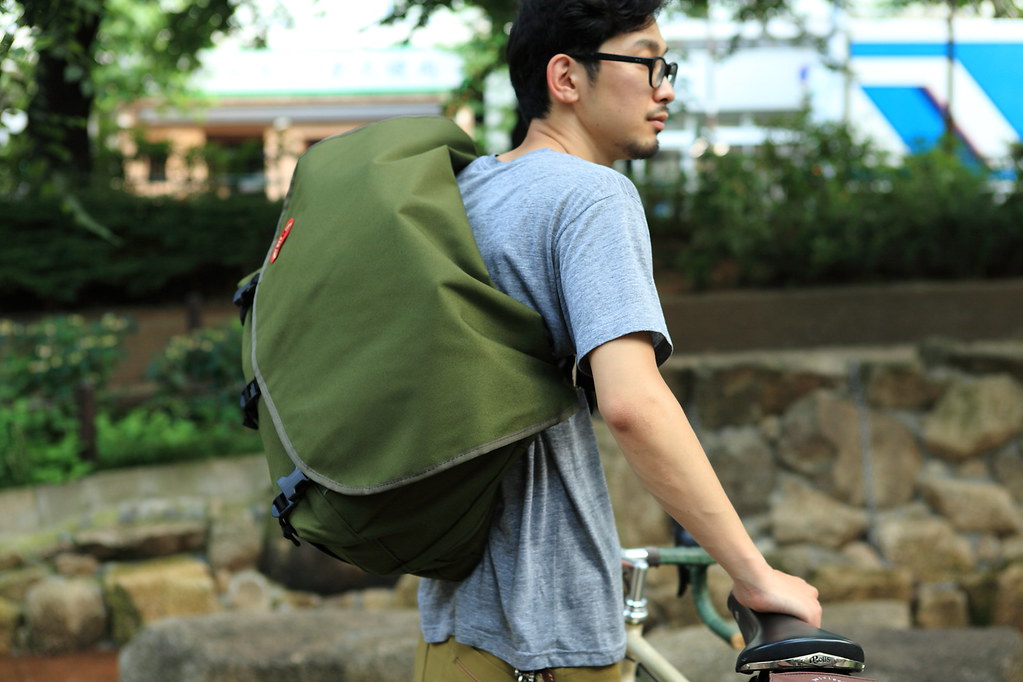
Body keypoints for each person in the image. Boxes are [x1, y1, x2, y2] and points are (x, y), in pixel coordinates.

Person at [414, 1, 822, 680]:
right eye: (647, 61)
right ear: (566, 78)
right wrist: (752, 575)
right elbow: (632, 403)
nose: (666, 87)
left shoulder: (471, 190)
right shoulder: (591, 196)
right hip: (549, 639)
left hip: (452, 629)